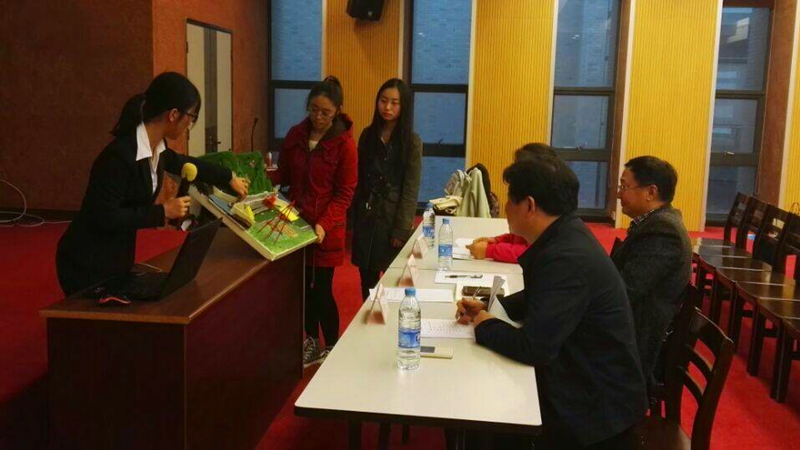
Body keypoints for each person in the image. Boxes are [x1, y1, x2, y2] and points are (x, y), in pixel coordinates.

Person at [457, 156, 647, 449]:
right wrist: (491, 307)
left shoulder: (566, 257)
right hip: (584, 378)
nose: (505, 208)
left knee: (486, 410)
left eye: (510, 199)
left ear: (529, 206)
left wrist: (485, 324)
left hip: (597, 409)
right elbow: (543, 296)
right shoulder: (565, 235)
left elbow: (534, 348)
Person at [56, 72, 249, 296]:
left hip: (115, 258)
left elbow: (184, 162)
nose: (189, 124)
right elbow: (106, 217)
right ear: (173, 115)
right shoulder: (119, 157)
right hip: (85, 263)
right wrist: (162, 212)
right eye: (191, 117)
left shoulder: (157, 148)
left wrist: (228, 177)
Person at [269, 76, 358, 366]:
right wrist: (261, 173)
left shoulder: (345, 145)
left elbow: (345, 194)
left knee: (321, 290)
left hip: (325, 230)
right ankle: (310, 340)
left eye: (326, 113)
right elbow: (284, 174)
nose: (318, 117)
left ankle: (331, 344)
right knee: (301, 291)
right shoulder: (296, 134)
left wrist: (324, 224)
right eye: (314, 110)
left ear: (337, 112)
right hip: (296, 226)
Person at [612, 156, 692, 388]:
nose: (618, 194)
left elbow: (626, 291)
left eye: (624, 186)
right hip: (629, 325)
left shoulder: (664, 230)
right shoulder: (655, 222)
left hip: (637, 343)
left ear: (651, 192)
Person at [351, 79, 422, 301]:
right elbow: (358, 179)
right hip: (367, 215)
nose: (387, 107)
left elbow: (410, 188)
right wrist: (353, 217)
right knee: (367, 280)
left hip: (392, 220)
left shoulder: (411, 141)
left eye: (394, 103)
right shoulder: (368, 135)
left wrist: (401, 229)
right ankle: (369, 319)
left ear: (403, 106)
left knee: (394, 281)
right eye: (383, 101)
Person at [465, 143, 557, 262]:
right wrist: (497, 241)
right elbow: (520, 237)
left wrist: (489, 250)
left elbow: (530, 251)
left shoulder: (543, 209)